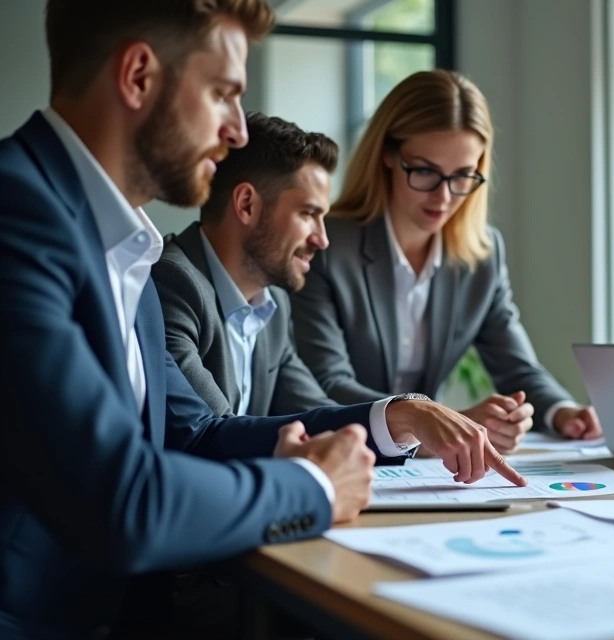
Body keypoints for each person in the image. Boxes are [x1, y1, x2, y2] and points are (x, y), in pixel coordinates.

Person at [0, 2, 522, 637]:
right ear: (138, 76)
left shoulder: (122, 244)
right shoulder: (19, 217)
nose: (237, 132)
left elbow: (190, 435)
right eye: (223, 93)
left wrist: (395, 417)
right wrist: (313, 486)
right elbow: (123, 499)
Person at [292, 69, 602, 452]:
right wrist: (435, 421)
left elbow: (517, 367)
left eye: (462, 176)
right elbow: (327, 381)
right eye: (425, 171)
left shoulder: (482, 256)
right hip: (334, 448)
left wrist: (564, 413)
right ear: (387, 153)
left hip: (422, 470)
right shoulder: (324, 244)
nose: (443, 197)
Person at [153, 112, 339, 417]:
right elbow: (210, 433)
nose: (322, 239)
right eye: (308, 214)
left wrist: (401, 423)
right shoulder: (172, 284)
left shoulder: (274, 305)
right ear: (246, 205)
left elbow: (320, 415)